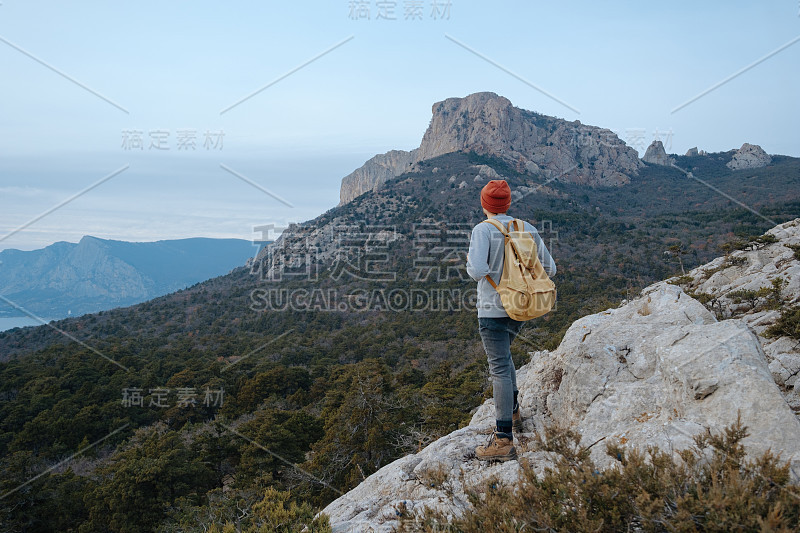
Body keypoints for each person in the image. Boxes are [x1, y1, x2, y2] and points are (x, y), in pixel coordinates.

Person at [466, 179, 557, 461]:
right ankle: (514, 410)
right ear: (507, 204)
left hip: (493, 309)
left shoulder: (483, 230)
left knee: (499, 369)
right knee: (505, 359)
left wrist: (473, 264)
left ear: (485, 205)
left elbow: (477, 270)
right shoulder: (526, 228)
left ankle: (503, 438)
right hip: (519, 309)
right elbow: (550, 269)